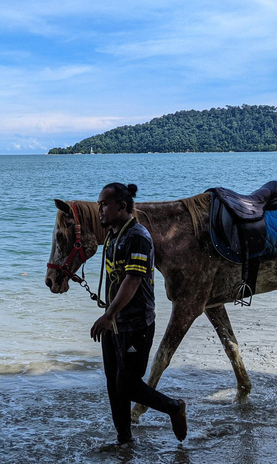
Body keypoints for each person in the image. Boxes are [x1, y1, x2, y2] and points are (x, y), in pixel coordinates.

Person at [91, 182, 188, 445]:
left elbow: (132, 280)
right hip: (115, 323)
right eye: (99, 204)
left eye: (104, 204)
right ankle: (124, 440)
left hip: (135, 324)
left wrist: (108, 315)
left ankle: (174, 407)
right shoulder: (113, 235)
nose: (99, 210)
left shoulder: (138, 237)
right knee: (114, 384)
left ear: (122, 206)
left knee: (127, 385)